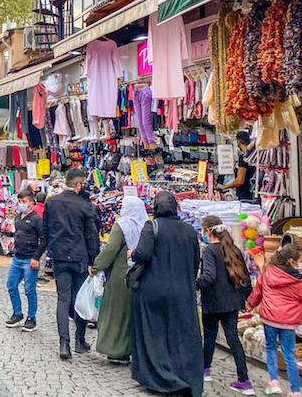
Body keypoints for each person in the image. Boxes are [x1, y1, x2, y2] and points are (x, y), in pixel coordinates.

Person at [130, 191, 203, 397]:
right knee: (180, 334)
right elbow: (195, 260)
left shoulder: (152, 227)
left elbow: (142, 254)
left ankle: (158, 376)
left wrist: (132, 253)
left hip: (153, 288)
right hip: (182, 290)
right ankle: (184, 376)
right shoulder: (189, 231)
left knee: (153, 333)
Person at [247, 243, 302, 397]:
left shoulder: (268, 272)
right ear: (292, 261)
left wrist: (250, 304)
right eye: (301, 261)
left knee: (271, 348)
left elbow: (258, 290)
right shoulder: (299, 281)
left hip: (269, 319)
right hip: (288, 322)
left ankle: (274, 383)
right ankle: (295, 391)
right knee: (289, 355)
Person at [34, 168, 100, 360]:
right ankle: (80, 340)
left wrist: (40, 254)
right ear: (78, 185)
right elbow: (91, 236)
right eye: (84, 184)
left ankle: (64, 343)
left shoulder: (51, 202)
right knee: (80, 299)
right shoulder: (85, 206)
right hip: (80, 258)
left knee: (63, 300)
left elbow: (46, 232)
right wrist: (93, 261)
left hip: (59, 257)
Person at [197, 215, 254, 393]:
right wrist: (246, 298)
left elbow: (209, 276)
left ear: (208, 231)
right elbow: (245, 277)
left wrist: (193, 285)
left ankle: (205, 370)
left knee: (209, 336)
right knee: (233, 339)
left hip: (213, 301)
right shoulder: (234, 249)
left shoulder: (209, 251)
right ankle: (244, 380)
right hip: (232, 302)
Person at [91, 196, 148, 364]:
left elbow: (110, 249)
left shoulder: (122, 226)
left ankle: (115, 349)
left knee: (116, 313)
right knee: (132, 314)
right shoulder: (146, 226)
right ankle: (133, 349)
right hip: (141, 274)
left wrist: (96, 267)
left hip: (120, 275)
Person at [4, 189, 43, 332]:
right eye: (20, 201)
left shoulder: (36, 220)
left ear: (31, 203)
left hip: (29, 259)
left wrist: (36, 257)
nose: (21, 204)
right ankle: (17, 313)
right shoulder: (18, 217)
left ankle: (31, 317)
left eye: (24, 202)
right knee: (11, 285)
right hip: (17, 258)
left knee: (29, 289)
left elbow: (44, 239)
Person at [218, 131, 257, 201]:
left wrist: (224, 187)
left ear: (238, 142)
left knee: (243, 208)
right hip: (253, 192)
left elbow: (240, 180)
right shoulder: (254, 155)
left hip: (245, 195)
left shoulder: (244, 157)